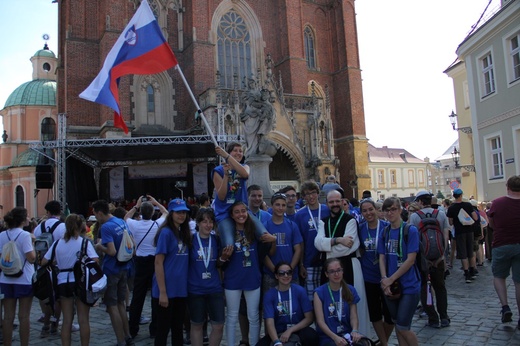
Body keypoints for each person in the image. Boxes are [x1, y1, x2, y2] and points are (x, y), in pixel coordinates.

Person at [314, 190, 370, 336]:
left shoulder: (350, 220)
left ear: (342, 201)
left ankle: (358, 335)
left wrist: (326, 248)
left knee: (353, 303)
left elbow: (348, 247)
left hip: (349, 266)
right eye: (331, 202)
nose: (335, 204)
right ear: (327, 203)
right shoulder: (323, 222)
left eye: (337, 201)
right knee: (330, 304)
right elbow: (317, 243)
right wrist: (338, 240)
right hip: (329, 269)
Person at [222, 201, 275, 346]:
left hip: (252, 278)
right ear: (232, 215)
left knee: (254, 316)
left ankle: (254, 344)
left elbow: (267, 252)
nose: (241, 215)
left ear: (248, 213)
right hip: (232, 280)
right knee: (232, 317)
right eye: (237, 212)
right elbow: (220, 261)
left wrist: (273, 240)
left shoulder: (254, 231)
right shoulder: (227, 232)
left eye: (243, 211)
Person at [42, 214, 98, 346]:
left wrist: (58, 261)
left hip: (63, 281)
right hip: (81, 281)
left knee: (67, 319)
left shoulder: (57, 243)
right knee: (83, 319)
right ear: (81, 226)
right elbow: (95, 260)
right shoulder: (84, 242)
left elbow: (44, 261)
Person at [378, 197, 421, 346]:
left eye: (393, 209)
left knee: (403, 326)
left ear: (400, 210)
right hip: (390, 286)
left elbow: (410, 260)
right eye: (387, 210)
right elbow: (381, 257)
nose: (390, 213)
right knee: (398, 324)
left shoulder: (410, 230)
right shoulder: (385, 232)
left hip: (408, 285)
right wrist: (385, 279)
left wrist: (391, 279)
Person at [124, 195, 168, 339]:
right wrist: (157, 203)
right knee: (155, 297)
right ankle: (154, 329)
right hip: (154, 262)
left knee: (138, 297)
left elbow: (125, 217)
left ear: (140, 213)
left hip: (140, 262)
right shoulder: (156, 225)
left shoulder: (134, 224)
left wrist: (136, 205)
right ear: (153, 213)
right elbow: (166, 213)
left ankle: (133, 327)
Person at [93, 200, 136, 346]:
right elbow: (132, 243)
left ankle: (120, 340)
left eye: (95, 214)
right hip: (125, 266)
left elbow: (111, 251)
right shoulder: (120, 221)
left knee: (112, 306)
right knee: (121, 304)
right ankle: (127, 335)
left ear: (99, 213)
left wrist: (99, 246)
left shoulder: (106, 227)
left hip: (112, 269)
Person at [188, 208, 232, 346]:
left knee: (218, 326)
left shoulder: (217, 240)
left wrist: (224, 258)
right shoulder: (190, 240)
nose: (208, 225)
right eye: (204, 222)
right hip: (195, 289)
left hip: (214, 289)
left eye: (211, 222)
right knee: (197, 325)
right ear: (198, 223)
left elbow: (218, 264)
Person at [152, 198, 192, 345]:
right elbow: (158, 262)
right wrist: (162, 292)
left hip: (180, 290)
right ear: (171, 213)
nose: (181, 215)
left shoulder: (183, 232)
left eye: (184, 212)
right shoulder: (166, 233)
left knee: (177, 329)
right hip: (166, 290)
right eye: (178, 212)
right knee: (162, 331)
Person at [408, 191, 450, 329]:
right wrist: (443, 255)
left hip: (422, 259)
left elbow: (413, 240)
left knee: (425, 288)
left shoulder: (414, 217)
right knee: (440, 287)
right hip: (439, 257)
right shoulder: (441, 214)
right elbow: (445, 237)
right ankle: (444, 317)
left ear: (420, 202)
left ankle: (433, 318)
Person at [212, 142, 268, 247]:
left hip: (243, 212)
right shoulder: (218, 171)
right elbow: (221, 196)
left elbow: (245, 174)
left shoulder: (245, 167)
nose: (238, 153)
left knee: (265, 236)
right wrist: (225, 175)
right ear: (229, 152)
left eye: (241, 151)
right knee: (229, 245)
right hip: (225, 213)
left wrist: (227, 156)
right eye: (235, 150)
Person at [358, 199, 394, 346]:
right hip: (368, 277)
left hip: (387, 277)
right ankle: (384, 343)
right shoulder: (360, 229)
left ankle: (382, 341)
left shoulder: (386, 227)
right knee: (375, 314)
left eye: (370, 209)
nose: (368, 213)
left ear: (376, 210)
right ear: (361, 213)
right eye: (365, 211)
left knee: (391, 314)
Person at [258, 262, 318, 346]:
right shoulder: (269, 295)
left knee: (311, 335)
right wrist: (276, 342)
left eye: (289, 272)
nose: (286, 276)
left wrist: (290, 330)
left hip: (298, 329)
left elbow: (309, 318)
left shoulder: (300, 291)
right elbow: (269, 322)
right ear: (276, 276)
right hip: (279, 331)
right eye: (282, 273)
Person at [0, 207, 36, 346]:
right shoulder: (25, 235)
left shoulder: (2, 235)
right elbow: (31, 258)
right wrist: (33, 243)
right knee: (24, 316)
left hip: (5, 278)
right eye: (27, 216)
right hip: (24, 278)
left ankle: (7, 343)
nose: (28, 219)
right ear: (21, 219)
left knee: (8, 316)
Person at [487, 175, 520, 326]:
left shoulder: (497, 203)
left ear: (508, 187)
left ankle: (505, 307)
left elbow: (492, 224)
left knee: (499, 276)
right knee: (519, 282)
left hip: (501, 244)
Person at [295, 181, 330, 301]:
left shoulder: (327, 210)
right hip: (310, 260)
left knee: (328, 294)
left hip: (327, 258)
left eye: (313, 193)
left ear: (318, 193)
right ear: (303, 197)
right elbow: (300, 242)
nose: (311, 196)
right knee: (311, 297)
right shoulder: (300, 215)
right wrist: (301, 264)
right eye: (307, 194)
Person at [314, 258, 362, 346]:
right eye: (332, 271)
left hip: (347, 334)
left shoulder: (350, 289)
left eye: (339, 270)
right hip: (328, 336)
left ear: (342, 271)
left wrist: (355, 330)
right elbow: (320, 321)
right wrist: (335, 337)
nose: (336, 274)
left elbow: (353, 316)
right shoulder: (319, 292)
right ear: (326, 274)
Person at [263, 193, 303, 291]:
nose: (280, 208)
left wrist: (289, 270)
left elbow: (298, 249)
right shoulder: (265, 226)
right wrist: (275, 271)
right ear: (271, 206)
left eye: (283, 205)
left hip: (290, 274)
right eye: (277, 205)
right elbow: (263, 253)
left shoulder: (292, 225)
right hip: (271, 274)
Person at [445, 189, 479, 283]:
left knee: (463, 253)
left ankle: (467, 274)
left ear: (454, 196)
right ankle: (472, 271)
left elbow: (450, 222)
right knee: (470, 251)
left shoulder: (451, 208)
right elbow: (475, 218)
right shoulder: (468, 205)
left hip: (459, 232)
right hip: (470, 230)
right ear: (461, 195)